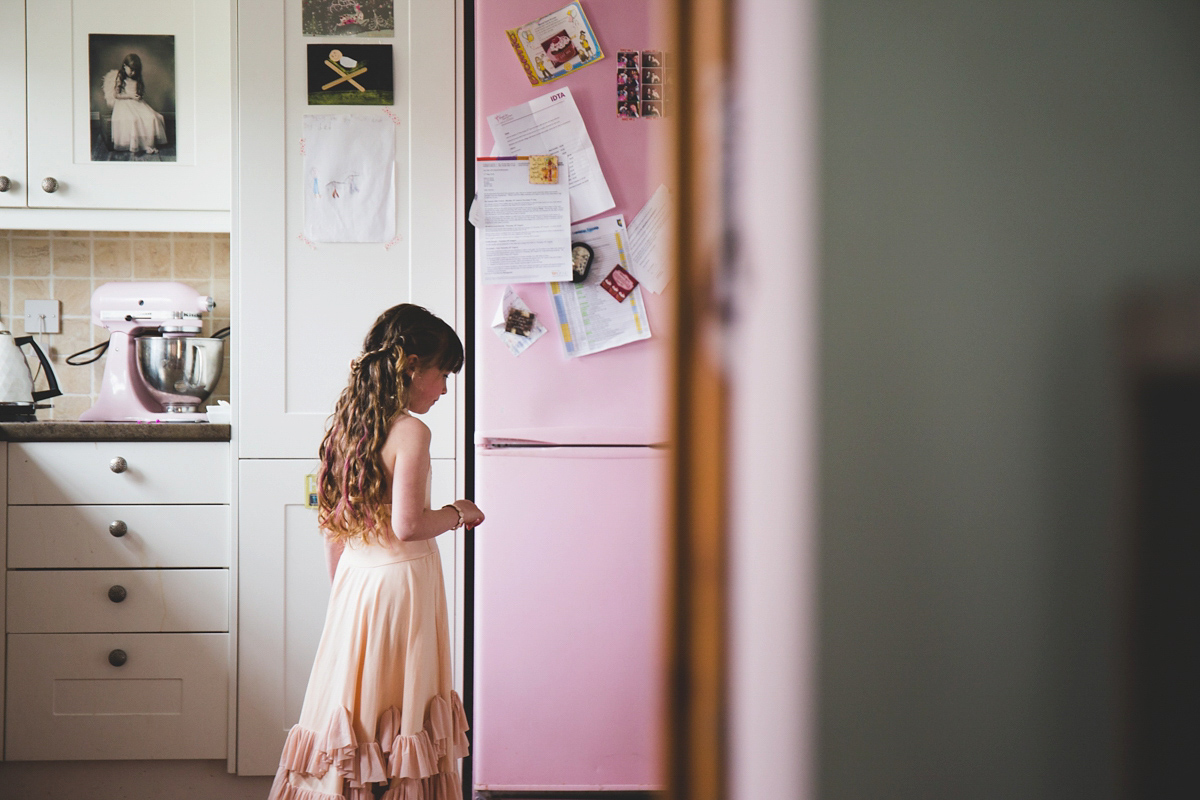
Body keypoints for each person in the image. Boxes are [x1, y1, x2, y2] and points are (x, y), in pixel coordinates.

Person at [269, 304, 484, 800]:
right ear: (411, 366)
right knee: (401, 705)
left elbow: (332, 527)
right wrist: (459, 512)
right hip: (401, 590)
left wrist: (342, 595)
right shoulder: (411, 431)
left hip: (357, 584)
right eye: (443, 374)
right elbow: (408, 526)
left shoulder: (350, 423)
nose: (445, 388)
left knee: (356, 707)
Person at [102, 53, 168, 155]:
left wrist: (138, 96)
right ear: (125, 66)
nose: (133, 72)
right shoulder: (121, 76)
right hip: (124, 103)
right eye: (131, 69)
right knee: (133, 119)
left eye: (135, 70)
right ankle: (135, 144)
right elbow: (116, 95)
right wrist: (130, 96)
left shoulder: (136, 77)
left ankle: (147, 143)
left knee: (152, 117)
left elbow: (137, 91)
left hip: (136, 103)